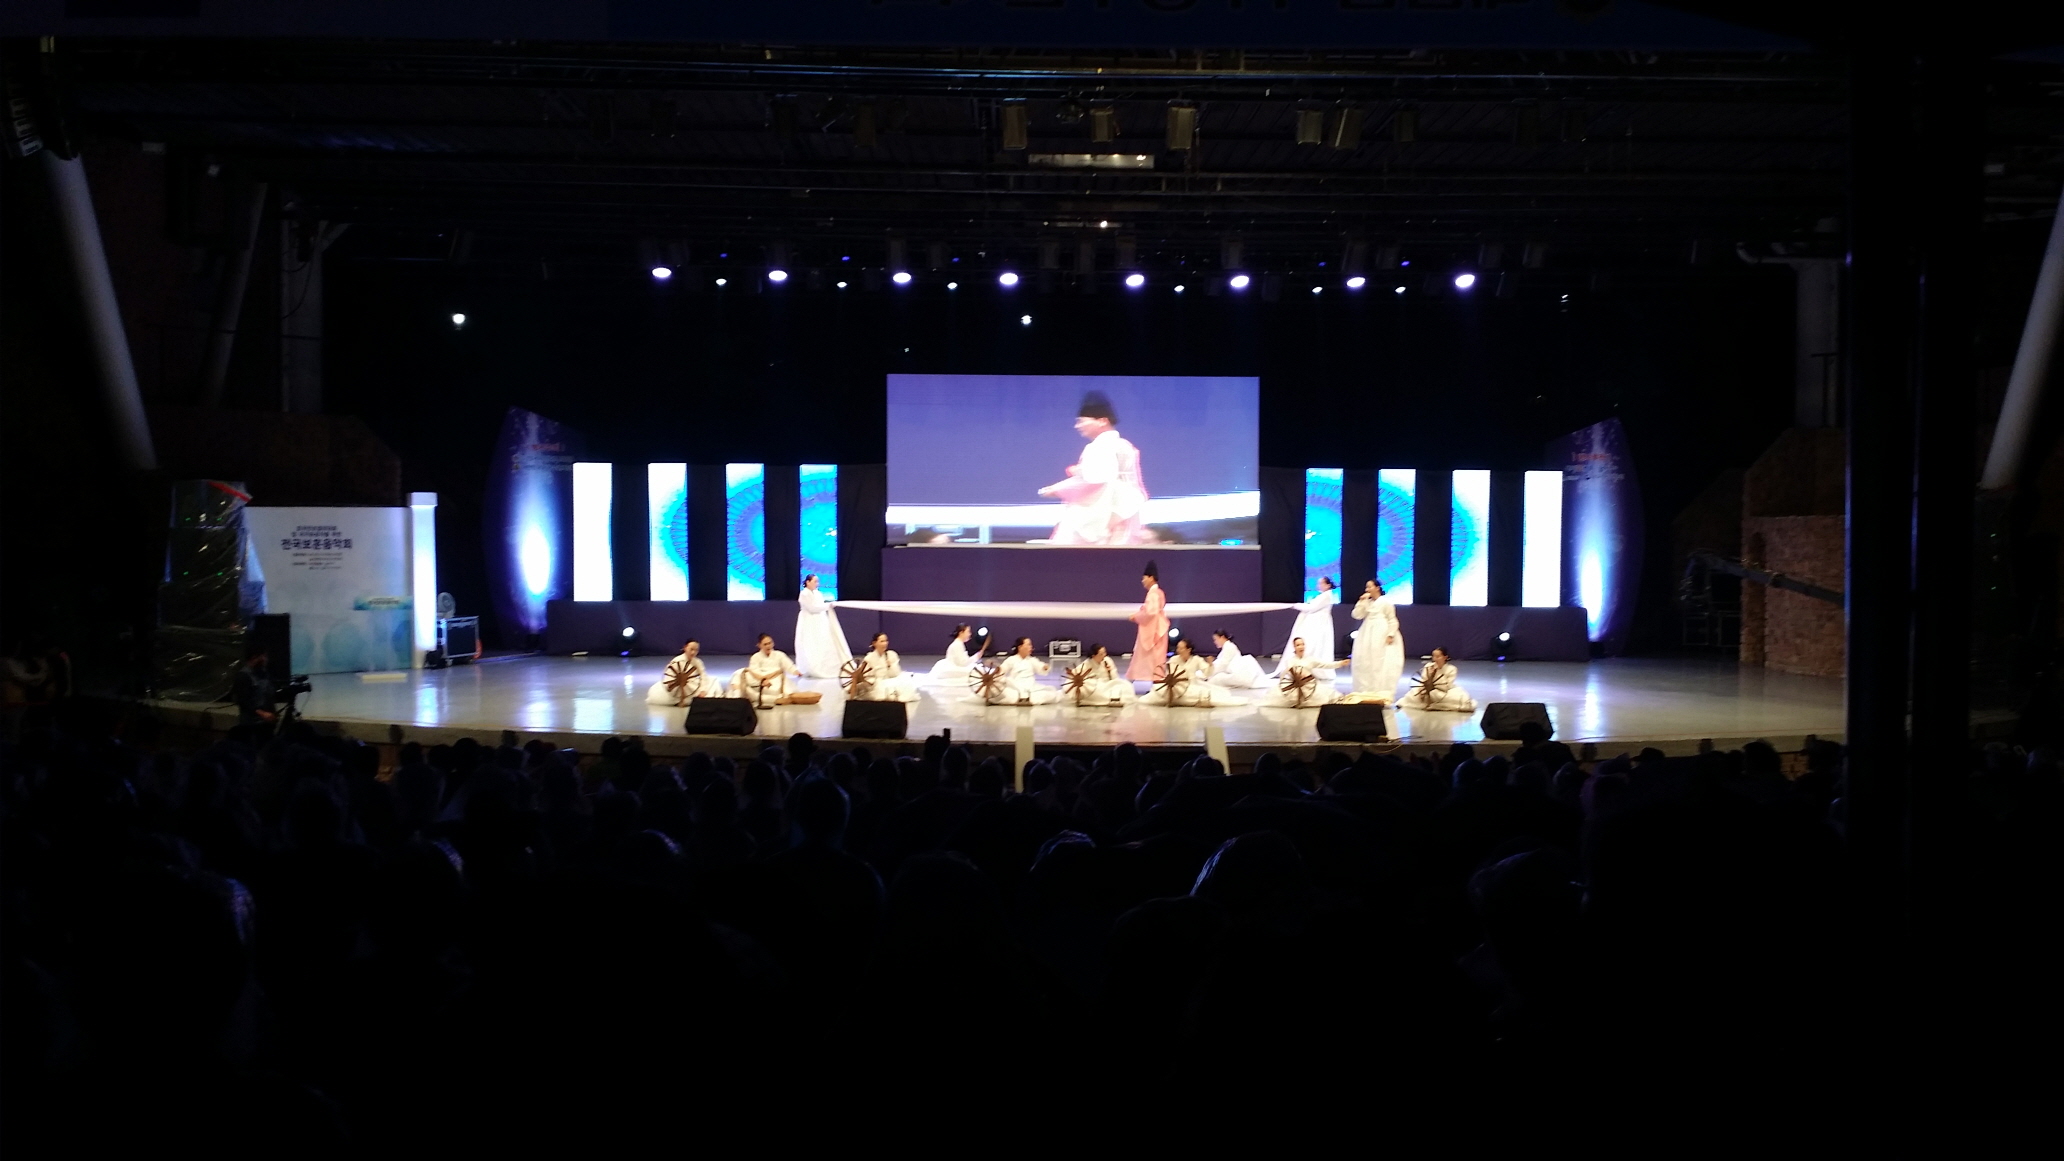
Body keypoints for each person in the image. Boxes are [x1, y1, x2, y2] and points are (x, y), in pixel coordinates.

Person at [1037, 391, 1151, 545]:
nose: (1077, 426)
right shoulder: (1124, 445)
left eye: (1081, 421)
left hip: (1103, 512)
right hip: (1123, 511)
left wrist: (1056, 489)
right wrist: (1080, 472)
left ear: (1102, 421)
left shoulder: (1101, 446)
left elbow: (1095, 480)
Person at [1350, 579, 1406, 703]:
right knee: (1365, 660)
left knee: (1380, 661)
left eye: (1369, 587)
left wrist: (1391, 634)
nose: (1367, 590)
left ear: (1377, 588)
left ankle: (1380, 691)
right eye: (1366, 587)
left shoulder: (1385, 603)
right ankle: (1365, 690)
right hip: (1367, 633)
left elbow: (1392, 619)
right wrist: (1361, 602)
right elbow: (1357, 615)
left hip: (1381, 632)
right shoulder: (1367, 602)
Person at [1272, 576, 1339, 675]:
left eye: (1321, 583)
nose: (1319, 585)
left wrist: (1296, 605)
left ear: (1328, 585)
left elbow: (1311, 607)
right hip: (1317, 623)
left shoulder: (1326, 596)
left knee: (1315, 645)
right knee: (1314, 645)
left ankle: (1312, 669)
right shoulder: (1323, 595)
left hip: (1319, 624)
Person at [793, 574, 852, 678]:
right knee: (810, 642)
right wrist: (828, 605)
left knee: (823, 641)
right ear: (808, 582)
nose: (817, 584)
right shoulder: (804, 594)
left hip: (820, 620)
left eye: (817, 581)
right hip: (809, 620)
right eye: (815, 581)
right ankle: (810, 666)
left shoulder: (818, 593)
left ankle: (825, 665)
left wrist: (828, 606)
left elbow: (820, 606)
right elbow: (812, 608)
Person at [1159, 637, 1244, 707]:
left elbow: (1207, 673)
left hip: (1192, 684)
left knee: (1208, 695)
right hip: (1177, 686)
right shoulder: (1174, 659)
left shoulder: (1196, 659)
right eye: (1178, 648)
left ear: (1188, 650)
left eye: (1181, 648)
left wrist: (1210, 664)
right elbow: (1169, 673)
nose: (1178, 650)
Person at [1260, 637, 1344, 707]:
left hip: (1309, 685)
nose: (1301, 647)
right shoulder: (1290, 661)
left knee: (1324, 696)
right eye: (1298, 645)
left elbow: (1326, 665)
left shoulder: (1310, 659)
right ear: (1294, 647)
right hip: (1294, 686)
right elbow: (1288, 674)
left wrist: (1340, 663)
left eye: (1302, 644)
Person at [1398, 646, 1475, 713]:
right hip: (1427, 689)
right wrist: (1425, 685)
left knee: (1457, 698)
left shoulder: (1452, 669)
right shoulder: (1428, 666)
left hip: (1444, 691)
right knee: (1412, 694)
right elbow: (1423, 680)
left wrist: (1437, 672)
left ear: (1445, 657)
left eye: (1438, 656)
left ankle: (1435, 705)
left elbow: (1447, 685)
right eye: (1433, 656)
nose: (1435, 659)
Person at [981, 637, 1056, 705]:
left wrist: (1045, 667)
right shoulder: (1011, 659)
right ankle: (1022, 697)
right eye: (1028, 645)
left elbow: (1040, 667)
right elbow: (1002, 669)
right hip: (1015, 685)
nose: (1031, 647)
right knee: (1008, 691)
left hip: (1031, 686)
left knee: (1048, 694)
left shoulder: (1032, 660)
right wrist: (995, 667)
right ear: (1020, 647)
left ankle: (1024, 698)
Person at [647, 638, 722, 705]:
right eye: (691, 649)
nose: (693, 652)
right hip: (676, 692)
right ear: (685, 648)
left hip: (693, 688)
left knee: (713, 680)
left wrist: (703, 690)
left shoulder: (697, 662)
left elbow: (703, 676)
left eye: (696, 650)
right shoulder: (677, 661)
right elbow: (668, 679)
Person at [1128, 562, 1168, 681]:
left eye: (1144, 578)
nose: (1143, 581)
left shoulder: (1153, 593)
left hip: (1154, 628)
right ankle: (1156, 681)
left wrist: (1136, 616)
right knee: (1157, 657)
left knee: (1152, 657)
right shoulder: (1159, 592)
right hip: (1158, 626)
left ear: (1151, 578)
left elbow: (1150, 612)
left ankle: (1151, 681)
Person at [731, 634, 801, 703]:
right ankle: (737, 695)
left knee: (780, 687)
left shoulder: (779, 654)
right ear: (759, 645)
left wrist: (795, 671)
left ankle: (758, 696)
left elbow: (788, 665)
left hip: (775, 678)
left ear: (773, 643)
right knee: (739, 673)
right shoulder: (755, 656)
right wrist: (763, 680)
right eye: (765, 644)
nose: (768, 646)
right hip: (758, 678)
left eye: (770, 643)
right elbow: (755, 671)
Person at [852, 633, 920, 703]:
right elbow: (865, 676)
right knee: (886, 690)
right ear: (874, 643)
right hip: (876, 683)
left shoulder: (891, 654)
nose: (885, 643)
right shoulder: (869, 658)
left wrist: (890, 666)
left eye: (886, 641)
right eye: (882, 641)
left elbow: (896, 674)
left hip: (889, 679)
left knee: (905, 682)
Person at [1066, 644, 1137, 705]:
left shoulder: (1107, 660)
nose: (1104, 655)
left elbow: (1115, 678)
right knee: (1092, 687)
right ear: (1094, 656)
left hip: (1108, 684)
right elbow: (1075, 673)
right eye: (1101, 654)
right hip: (1096, 687)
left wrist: (1110, 672)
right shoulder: (1087, 663)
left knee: (1125, 685)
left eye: (1104, 653)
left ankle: (1114, 698)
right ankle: (1110, 699)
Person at [231, 645, 277, 727]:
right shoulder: (243, 676)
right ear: (254, 657)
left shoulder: (264, 674)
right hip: (251, 723)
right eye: (263, 656)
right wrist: (262, 713)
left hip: (266, 722)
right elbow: (243, 701)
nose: (265, 659)